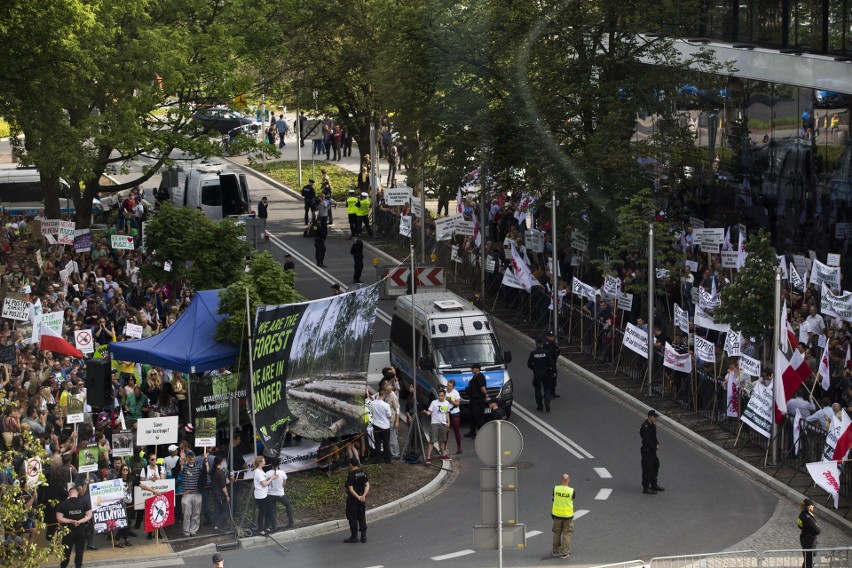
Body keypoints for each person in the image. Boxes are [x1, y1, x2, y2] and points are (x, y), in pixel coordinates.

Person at [55, 484, 93, 568]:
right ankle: (78, 565)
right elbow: (89, 515)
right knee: (79, 550)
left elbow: (59, 518)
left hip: (68, 530)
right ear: (77, 494)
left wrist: (70, 521)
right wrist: (80, 521)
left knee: (66, 550)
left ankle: (63, 565)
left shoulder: (63, 504)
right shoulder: (83, 503)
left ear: (69, 494)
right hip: (81, 530)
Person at [177, 449, 207, 537]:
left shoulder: (198, 466)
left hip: (197, 493)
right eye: (189, 457)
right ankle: (186, 531)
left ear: (194, 458)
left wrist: (205, 459)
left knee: (196, 513)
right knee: (186, 514)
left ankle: (193, 531)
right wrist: (182, 459)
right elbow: (179, 468)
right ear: (186, 458)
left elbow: (207, 470)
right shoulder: (184, 467)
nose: (190, 458)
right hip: (186, 494)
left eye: (192, 457)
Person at [343, 458, 369, 543]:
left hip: (353, 500)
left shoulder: (351, 475)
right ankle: (363, 536)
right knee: (361, 516)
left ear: (351, 465)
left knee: (352, 517)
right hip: (362, 499)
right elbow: (367, 485)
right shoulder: (363, 473)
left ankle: (354, 536)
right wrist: (363, 496)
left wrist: (358, 497)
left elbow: (350, 489)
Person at [422, 389, 451, 463]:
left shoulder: (447, 403)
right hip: (434, 423)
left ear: (444, 396)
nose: (440, 397)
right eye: (439, 395)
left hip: (443, 424)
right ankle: (428, 458)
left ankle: (443, 455)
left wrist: (448, 422)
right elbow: (429, 412)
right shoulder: (434, 402)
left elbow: (447, 413)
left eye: (441, 396)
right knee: (432, 441)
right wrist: (426, 412)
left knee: (442, 440)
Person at [640, 410, 665, 494]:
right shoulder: (645, 427)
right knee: (647, 469)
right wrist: (654, 446)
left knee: (655, 466)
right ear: (650, 416)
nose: (655, 418)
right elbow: (647, 440)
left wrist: (657, 443)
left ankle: (654, 484)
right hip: (647, 451)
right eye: (654, 417)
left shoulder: (653, 426)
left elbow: (654, 437)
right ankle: (646, 487)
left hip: (652, 451)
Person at [551, 473, 575, 559]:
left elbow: (553, 497)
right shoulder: (571, 491)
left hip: (557, 515)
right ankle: (564, 552)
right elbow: (572, 498)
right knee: (567, 534)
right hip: (568, 516)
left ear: (561, 480)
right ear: (568, 480)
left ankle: (555, 551)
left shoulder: (555, 489)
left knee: (556, 533)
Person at [267, 457, 294, 531]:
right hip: (280, 494)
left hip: (270, 494)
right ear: (279, 464)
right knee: (287, 505)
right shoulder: (282, 472)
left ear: (271, 464)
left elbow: (265, 483)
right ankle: (291, 522)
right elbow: (284, 483)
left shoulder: (268, 473)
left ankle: (274, 527)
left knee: (272, 510)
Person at [528, 338, 555, 412]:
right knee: (547, 388)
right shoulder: (546, 352)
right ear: (542, 344)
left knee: (537, 389)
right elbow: (551, 363)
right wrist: (553, 371)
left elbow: (529, 364)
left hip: (537, 373)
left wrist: (534, 369)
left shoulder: (533, 353)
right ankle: (546, 401)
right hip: (546, 373)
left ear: (536, 343)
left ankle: (540, 406)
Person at [252, 455, 277, 535]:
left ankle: (266, 526)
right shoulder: (258, 472)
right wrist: (272, 479)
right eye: (264, 461)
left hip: (264, 494)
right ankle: (260, 529)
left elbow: (264, 479)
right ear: (260, 462)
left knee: (269, 510)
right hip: (261, 495)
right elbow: (263, 484)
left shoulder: (261, 470)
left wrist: (271, 477)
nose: (265, 462)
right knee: (262, 512)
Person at [464, 363, 488, 438]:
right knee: (472, 417)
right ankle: (472, 431)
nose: (471, 369)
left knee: (478, 418)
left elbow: (482, 388)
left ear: (477, 368)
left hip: (478, 401)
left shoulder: (480, 377)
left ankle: (481, 433)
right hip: (473, 400)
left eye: (473, 368)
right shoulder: (475, 376)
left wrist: (486, 395)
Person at [371, 390, 393, 464]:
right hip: (385, 427)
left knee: (377, 443)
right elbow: (389, 416)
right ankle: (388, 459)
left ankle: (377, 459)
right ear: (384, 396)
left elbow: (371, 412)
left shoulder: (373, 403)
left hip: (376, 426)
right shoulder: (386, 405)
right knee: (386, 443)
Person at [798, 497, 821, 568]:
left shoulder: (803, 514)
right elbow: (817, 530)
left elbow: (800, 525)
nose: (813, 506)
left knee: (808, 559)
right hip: (809, 540)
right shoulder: (807, 517)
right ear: (808, 506)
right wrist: (818, 528)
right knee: (809, 560)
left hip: (806, 538)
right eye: (812, 505)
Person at [210, 455, 230, 532]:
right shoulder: (220, 472)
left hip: (215, 493)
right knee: (225, 512)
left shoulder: (213, 471)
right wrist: (227, 495)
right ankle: (218, 526)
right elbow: (223, 486)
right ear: (221, 462)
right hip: (221, 494)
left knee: (218, 510)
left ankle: (215, 525)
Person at [445, 379, 462, 454]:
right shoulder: (444, 391)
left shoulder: (456, 393)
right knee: (445, 431)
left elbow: (458, 404)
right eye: (448, 385)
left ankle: (459, 448)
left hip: (454, 412)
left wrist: (451, 401)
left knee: (456, 430)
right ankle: (443, 448)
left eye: (450, 386)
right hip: (446, 413)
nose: (448, 387)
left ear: (453, 387)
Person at [543, 331, 561, 398]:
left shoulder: (553, 343)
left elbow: (558, 351)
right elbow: (552, 353)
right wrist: (555, 353)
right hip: (548, 363)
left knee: (554, 378)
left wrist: (556, 353)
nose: (552, 338)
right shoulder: (546, 344)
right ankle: (547, 393)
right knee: (548, 379)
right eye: (551, 336)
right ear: (547, 336)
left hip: (553, 363)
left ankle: (552, 392)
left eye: (553, 336)